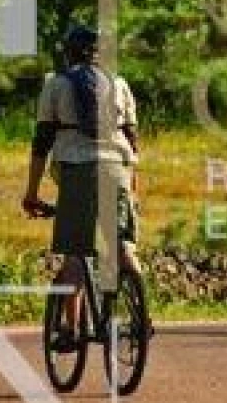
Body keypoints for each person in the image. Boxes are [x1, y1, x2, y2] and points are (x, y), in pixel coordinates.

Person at [23, 23, 143, 351]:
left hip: (77, 172)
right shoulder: (119, 85)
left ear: (68, 52)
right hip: (118, 171)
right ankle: (141, 313)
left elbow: (42, 142)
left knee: (76, 253)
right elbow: (133, 144)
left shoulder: (57, 85)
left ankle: (70, 328)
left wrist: (32, 193)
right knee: (122, 246)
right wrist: (133, 191)